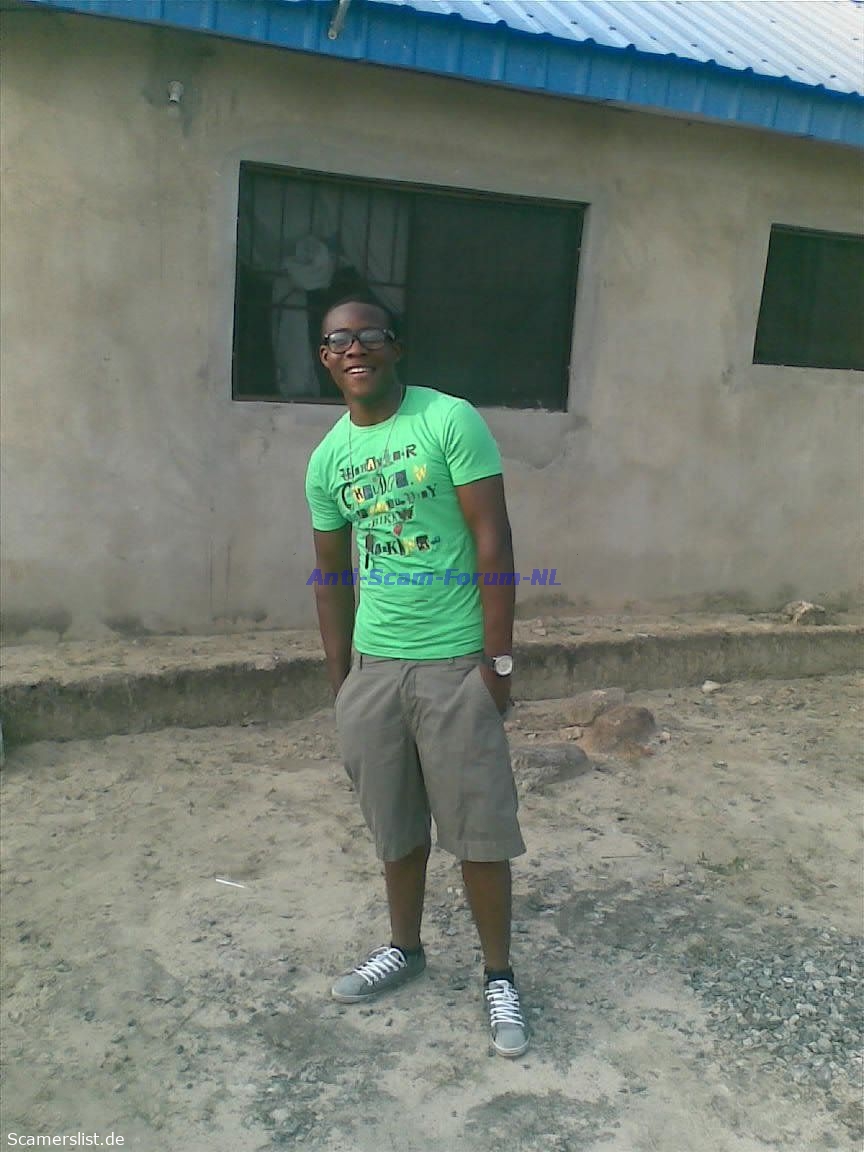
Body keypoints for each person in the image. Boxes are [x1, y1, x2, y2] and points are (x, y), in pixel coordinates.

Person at [304, 297, 529, 1058]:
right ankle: (405, 948)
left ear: (395, 347)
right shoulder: (327, 459)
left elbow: (493, 540)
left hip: (455, 664)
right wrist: (344, 681)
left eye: (369, 335)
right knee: (395, 826)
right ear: (325, 358)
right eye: (338, 340)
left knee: (479, 832)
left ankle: (498, 975)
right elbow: (331, 575)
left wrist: (497, 662)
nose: (354, 348)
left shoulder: (447, 420)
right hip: (374, 669)